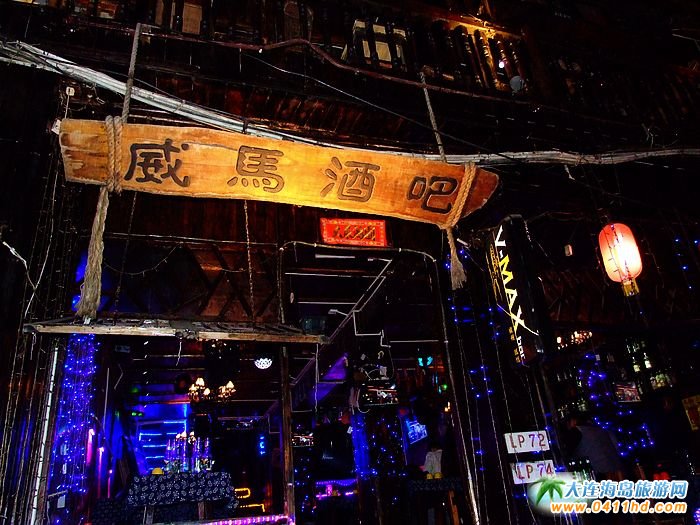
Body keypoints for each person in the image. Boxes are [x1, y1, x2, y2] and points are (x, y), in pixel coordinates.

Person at [563, 412, 624, 481]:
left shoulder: (576, 432)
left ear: (573, 421)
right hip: (615, 470)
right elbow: (616, 447)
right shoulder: (602, 429)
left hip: (595, 472)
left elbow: (568, 453)